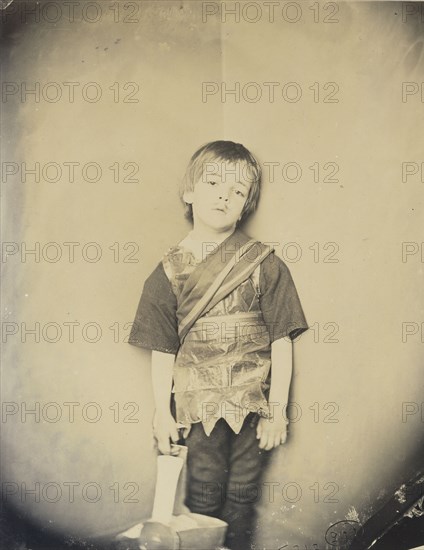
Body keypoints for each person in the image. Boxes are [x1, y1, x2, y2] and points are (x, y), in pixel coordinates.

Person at [128, 140, 309, 550]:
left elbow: (283, 341)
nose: (225, 194)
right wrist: (161, 413)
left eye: (238, 190)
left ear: (245, 205)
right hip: (198, 406)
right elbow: (163, 349)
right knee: (204, 496)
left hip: (252, 405)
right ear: (189, 192)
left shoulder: (265, 263)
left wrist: (277, 411)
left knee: (244, 496)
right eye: (213, 182)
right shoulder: (167, 273)